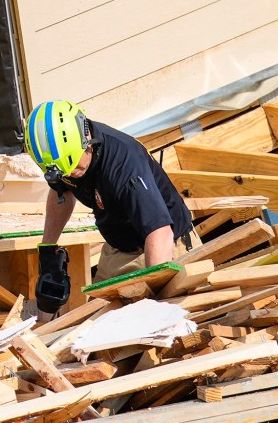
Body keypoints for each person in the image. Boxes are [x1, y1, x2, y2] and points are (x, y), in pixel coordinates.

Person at [25, 99, 194, 314]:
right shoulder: (63, 157)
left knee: (145, 334)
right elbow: (62, 192)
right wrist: (48, 249)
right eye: (64, 172)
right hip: (117, 247)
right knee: (91, 331)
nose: (70, 175)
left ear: (87, 140)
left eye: (74, 167)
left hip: (162, 248)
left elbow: (159, 232)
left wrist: (155, 308)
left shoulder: (124, 163)